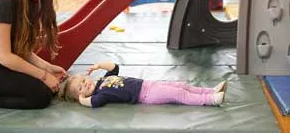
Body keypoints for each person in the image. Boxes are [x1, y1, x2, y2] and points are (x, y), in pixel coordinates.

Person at [58, 62, 227, 108]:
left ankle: (209, 90)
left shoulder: (103, 80)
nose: (84, 85)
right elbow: (94, 104)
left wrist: (99, 65)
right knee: (179, 95)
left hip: (148, 84)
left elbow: (114, 67)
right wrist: (82, 100)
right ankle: (211, 99)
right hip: (146, 95)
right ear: (82, 95)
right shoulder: (99, 95)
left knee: (181, 85)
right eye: (80, 89)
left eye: (82, 81)